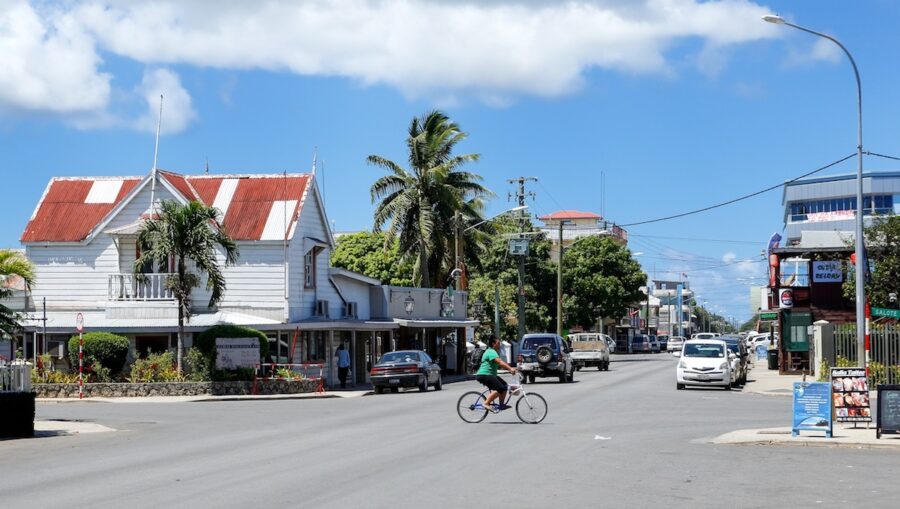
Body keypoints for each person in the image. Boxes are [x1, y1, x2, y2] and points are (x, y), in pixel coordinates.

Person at [475, 336, 516, 413]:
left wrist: (512, 369)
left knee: (504, 386)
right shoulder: (491, 352)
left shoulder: (493, 352)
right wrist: (510, 369)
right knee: (500, 388)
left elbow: (500, 365)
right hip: (484, 374)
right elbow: (500, 362)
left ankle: (501, 405)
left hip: (490, 374)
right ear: (493, 344)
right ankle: (486, 403)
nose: (499, 345)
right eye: (498, 343)